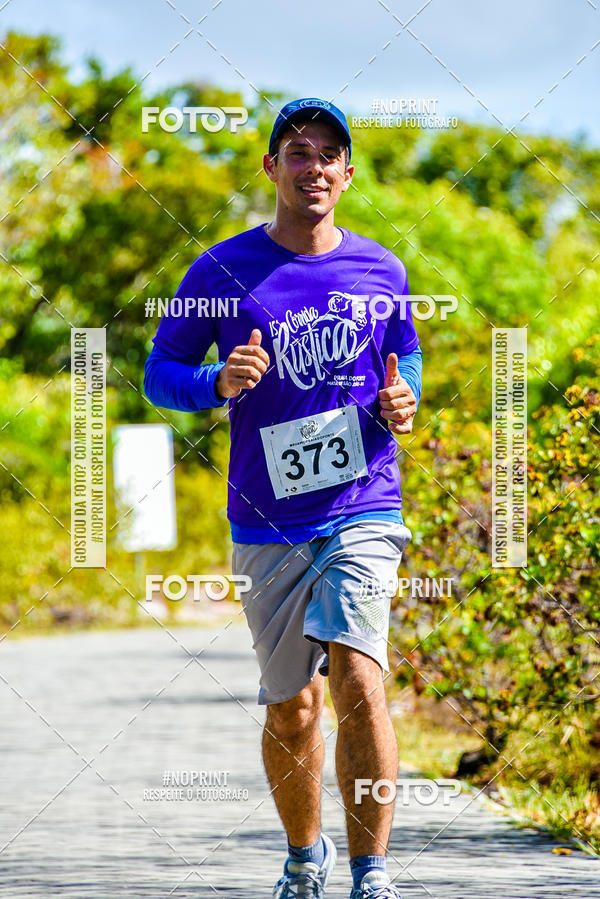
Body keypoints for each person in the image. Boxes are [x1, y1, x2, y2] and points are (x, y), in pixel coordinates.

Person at [144, 97, 423, 899]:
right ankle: (307, 858)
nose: (314, 166)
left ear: (346, 172)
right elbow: (159, 372)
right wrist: (214, 381)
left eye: (328, 153)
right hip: (266, 516)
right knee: (292, 707)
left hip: (364, 501)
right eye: (296, 152)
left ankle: (372, 872)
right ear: (272, 168)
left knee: (360, 679)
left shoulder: (382, 270)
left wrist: (407, 400)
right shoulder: (222, 268)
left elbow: (406, 357)